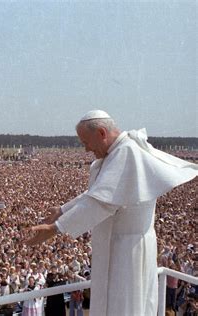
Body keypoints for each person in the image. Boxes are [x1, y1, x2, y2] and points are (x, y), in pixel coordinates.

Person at [24, 110, 198, 316]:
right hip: (118, 246)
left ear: (101, 133)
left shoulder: (127, 152)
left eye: (85, 142)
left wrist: (56, 228)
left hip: (128, 250)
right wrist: (61, 210)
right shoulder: (117, 153)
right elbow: (98, 193)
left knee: (124, 307)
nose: (86, 149)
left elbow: (102, 202)